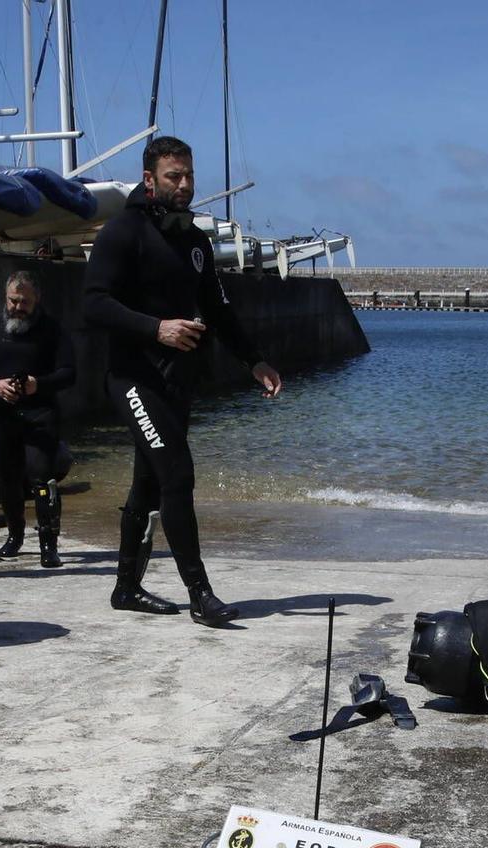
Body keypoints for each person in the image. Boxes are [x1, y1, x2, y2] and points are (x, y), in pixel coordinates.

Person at [83, 134, 282, 626]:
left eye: (189, 175)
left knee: (148, 483)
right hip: (132, 378)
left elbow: (218, 308)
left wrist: (254, 361)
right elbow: (93, 303)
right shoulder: (123, 231)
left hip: (175, 381)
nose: (186, 184)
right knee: (177, 474)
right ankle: (200, 595)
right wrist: (157, 328)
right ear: (149, 180)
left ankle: (126, 588)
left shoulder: (194, 240)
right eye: (174, 176)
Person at [0, 271, 76, 567]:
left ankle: (49, 543)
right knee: (8, 478)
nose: (18, 307)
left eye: (24, 302)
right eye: (13, 300)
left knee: (42, 478)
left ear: (37, 300)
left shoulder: (53, 330)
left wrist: (37, 384)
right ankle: (15, 536)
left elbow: (70, 373)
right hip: (3, 414)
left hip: (40, 414)